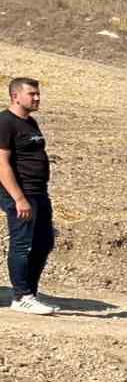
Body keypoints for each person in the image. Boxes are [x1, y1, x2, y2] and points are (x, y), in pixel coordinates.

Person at [0, 77, 56, 315]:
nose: (37, 98)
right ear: (16, 96)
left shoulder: (30, 122)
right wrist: (18, 198)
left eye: (38, 94)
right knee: (22, 244)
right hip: (20, 193)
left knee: (44, 242)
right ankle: (21, 296)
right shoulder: (5, 122)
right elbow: (1, 163)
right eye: (32, 94)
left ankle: (30, 293)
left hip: (38, 191)